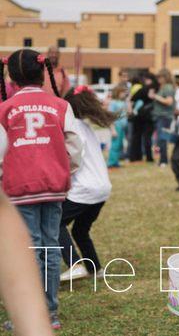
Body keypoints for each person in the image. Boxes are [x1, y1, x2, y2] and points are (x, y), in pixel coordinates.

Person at [0, 49, 83, 330]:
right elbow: (74, 145)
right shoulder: (59, 105)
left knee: (29, 249)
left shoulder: (5, 108)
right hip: (54, 187)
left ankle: (30, 315)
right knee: (50, 247)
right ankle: (50, 313)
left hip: (20, 187)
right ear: (42, 71)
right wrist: (64, 170)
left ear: (11, 75)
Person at [59, 86, 116, 282]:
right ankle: (96, 269)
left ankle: (75, 264)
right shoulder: (86, 127)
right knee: (80, 230)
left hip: (84, 189)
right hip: (102, 189)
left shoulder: (71, 127)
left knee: (56, 222)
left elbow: (73, 159)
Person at [0, 191, 54, 336]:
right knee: (50, 245)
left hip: (25, 193)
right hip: (54, 190)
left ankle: (49, 310)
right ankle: (51, 310)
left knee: (38, 246)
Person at [149, 68, 175, 167]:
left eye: (160, 77)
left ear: (165, 77)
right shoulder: (163, 87)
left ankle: (163, 160)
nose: (158, 79)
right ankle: (162, 160)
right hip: (161, 117)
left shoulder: (167, 87)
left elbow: (169, 101)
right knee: (160, 139)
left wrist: (155, 96)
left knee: (162, 138)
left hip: (164, 117)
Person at [129, 73, 157, 163]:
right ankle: (148, 157)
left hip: (139, 116)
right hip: (148, 116)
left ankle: (136, 156)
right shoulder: (154, 89)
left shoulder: (142, 89)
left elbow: (132, 99)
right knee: (147, 137)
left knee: (137, 137)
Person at [107, 85, 128, 168]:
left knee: (120, 145)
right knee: (115, 145)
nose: (124, 94)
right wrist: (112, 129)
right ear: (118, 93)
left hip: (122, 126)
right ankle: (111, 163)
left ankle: (116, 162)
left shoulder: (123, 102)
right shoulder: (113, 103)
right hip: (116, 126)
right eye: (122, 92)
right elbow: (110, 116)